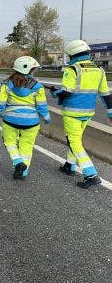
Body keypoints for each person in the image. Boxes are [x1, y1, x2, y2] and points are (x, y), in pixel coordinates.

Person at [50, 39, 112, 188]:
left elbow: (66, 91)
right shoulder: (99, 70)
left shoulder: (72, 69)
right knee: (75, 139)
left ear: (72, 54)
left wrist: (54, 92)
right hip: (88, 113)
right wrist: (110, 113)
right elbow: (105, 94)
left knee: (74, 142)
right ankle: (69, 166)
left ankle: (91, 174)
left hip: (72, 113)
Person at [0, 56, 50, 180]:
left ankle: (18, 163)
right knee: (27, 146)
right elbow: (42, 106)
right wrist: (46, 117)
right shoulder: (38, 86)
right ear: (30, 70)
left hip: (10, 121)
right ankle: (22, 173)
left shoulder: (7, 84)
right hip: (32, 122)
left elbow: (1, 103)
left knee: (10, 142)